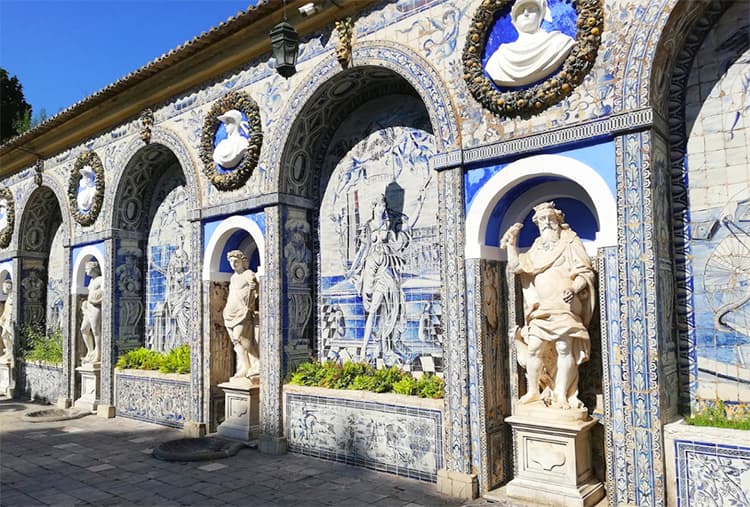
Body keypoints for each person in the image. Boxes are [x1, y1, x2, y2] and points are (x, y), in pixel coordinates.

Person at [500, 202, 596, 409]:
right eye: (541, 220)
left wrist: (574, 288)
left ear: (558, 219)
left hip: (565, 307)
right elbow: (516, 266)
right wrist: (511, 244)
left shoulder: (570, 241)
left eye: (549, 218)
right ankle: (534, 391)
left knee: (563, 348)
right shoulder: (536, 246)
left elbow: (585, 272)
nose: (546, 223)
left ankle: (561, 393)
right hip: (541, 309)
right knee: (534, 349)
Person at [347, 193, 415, 362]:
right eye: (379, 206)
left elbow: (398, 241)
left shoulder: (387, 225)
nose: (382, 208)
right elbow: (363, 250)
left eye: (384, 205)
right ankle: (366, 350)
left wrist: (405, 226)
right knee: (373, 311)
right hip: (371, 269)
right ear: (374, 207)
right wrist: (353, 268)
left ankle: (383, 346)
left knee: (391, 307)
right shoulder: (368, 226)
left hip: (386, 267)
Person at [485, 0, 574, 87]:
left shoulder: (559, 42)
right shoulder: (499, 59)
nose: (526, 13)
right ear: (514, 20)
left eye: (531, 9)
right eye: (521, 10)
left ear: (540, 16)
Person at [223, 250, 259, 379]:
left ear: (242, 262)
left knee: (242, 339)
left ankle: (257, 362)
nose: (233, 264)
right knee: (235, 342)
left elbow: (255, 287)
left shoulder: (248, 273)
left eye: (236, 261)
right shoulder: (233, 277)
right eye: (231, 261)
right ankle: (244, 367)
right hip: (229, 313)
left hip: (242, 313)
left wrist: (254, 285)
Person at [80, 260, 103, 364]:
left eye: (87, 269)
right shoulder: (91, 281)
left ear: (93, 269)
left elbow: (105, 294)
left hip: (95, 307)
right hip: (88, 307)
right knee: (84, 329)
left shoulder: (100, 279)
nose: (85, 271)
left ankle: (98, 354)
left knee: (96, 331)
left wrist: (95, 301)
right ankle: (90, 351)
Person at [0, 280, 14, 366]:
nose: (3, 289)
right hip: (6, 320)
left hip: (10, 320)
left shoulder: (13, 297)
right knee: (4, 335)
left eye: (4, 287)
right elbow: (6, 309)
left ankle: (11, 352)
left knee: (10, 336)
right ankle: (9, 351)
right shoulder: (9, 297)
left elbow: (12, 309)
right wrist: (2, 317)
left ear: (8, 286)